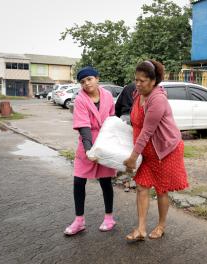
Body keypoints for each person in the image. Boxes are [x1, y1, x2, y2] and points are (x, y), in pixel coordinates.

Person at [123, 60, 189, 241]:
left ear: (153, 81)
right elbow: (136, 124)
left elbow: (147, 131)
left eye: (142, 80)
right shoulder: (138, 95)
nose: (137, 83)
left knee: (161, 189)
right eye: (136, 79)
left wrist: (132, 157)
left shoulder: (158, 99)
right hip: (147, 152)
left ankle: (161, 226)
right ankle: (141, 229)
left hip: (165, 151)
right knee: (142, 187)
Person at [64, 66, 117, 235]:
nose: (86, 84)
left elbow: (111, 119)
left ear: (97, 78)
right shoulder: (80, 99)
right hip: (87, 142)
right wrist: (88, 150)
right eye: (82, 81)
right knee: (79, 181)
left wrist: (112, 142)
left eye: (89, 79)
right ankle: (79, 220)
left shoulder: (108, 96)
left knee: (105, 181)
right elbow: (83, 125)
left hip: (105, 142)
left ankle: (109, 217)